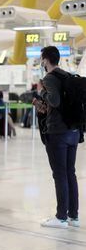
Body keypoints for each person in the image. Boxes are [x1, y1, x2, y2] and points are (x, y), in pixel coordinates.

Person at [37, 46, 80, 229]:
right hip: (73, 131)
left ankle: (61, 217)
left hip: (58, 132)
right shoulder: (67, 75)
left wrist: (42, 92)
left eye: (42, 59)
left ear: (46, 60)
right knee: (70, 172)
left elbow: (54, 100)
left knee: (60, 174)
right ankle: (73, 215)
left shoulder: (49, 78)